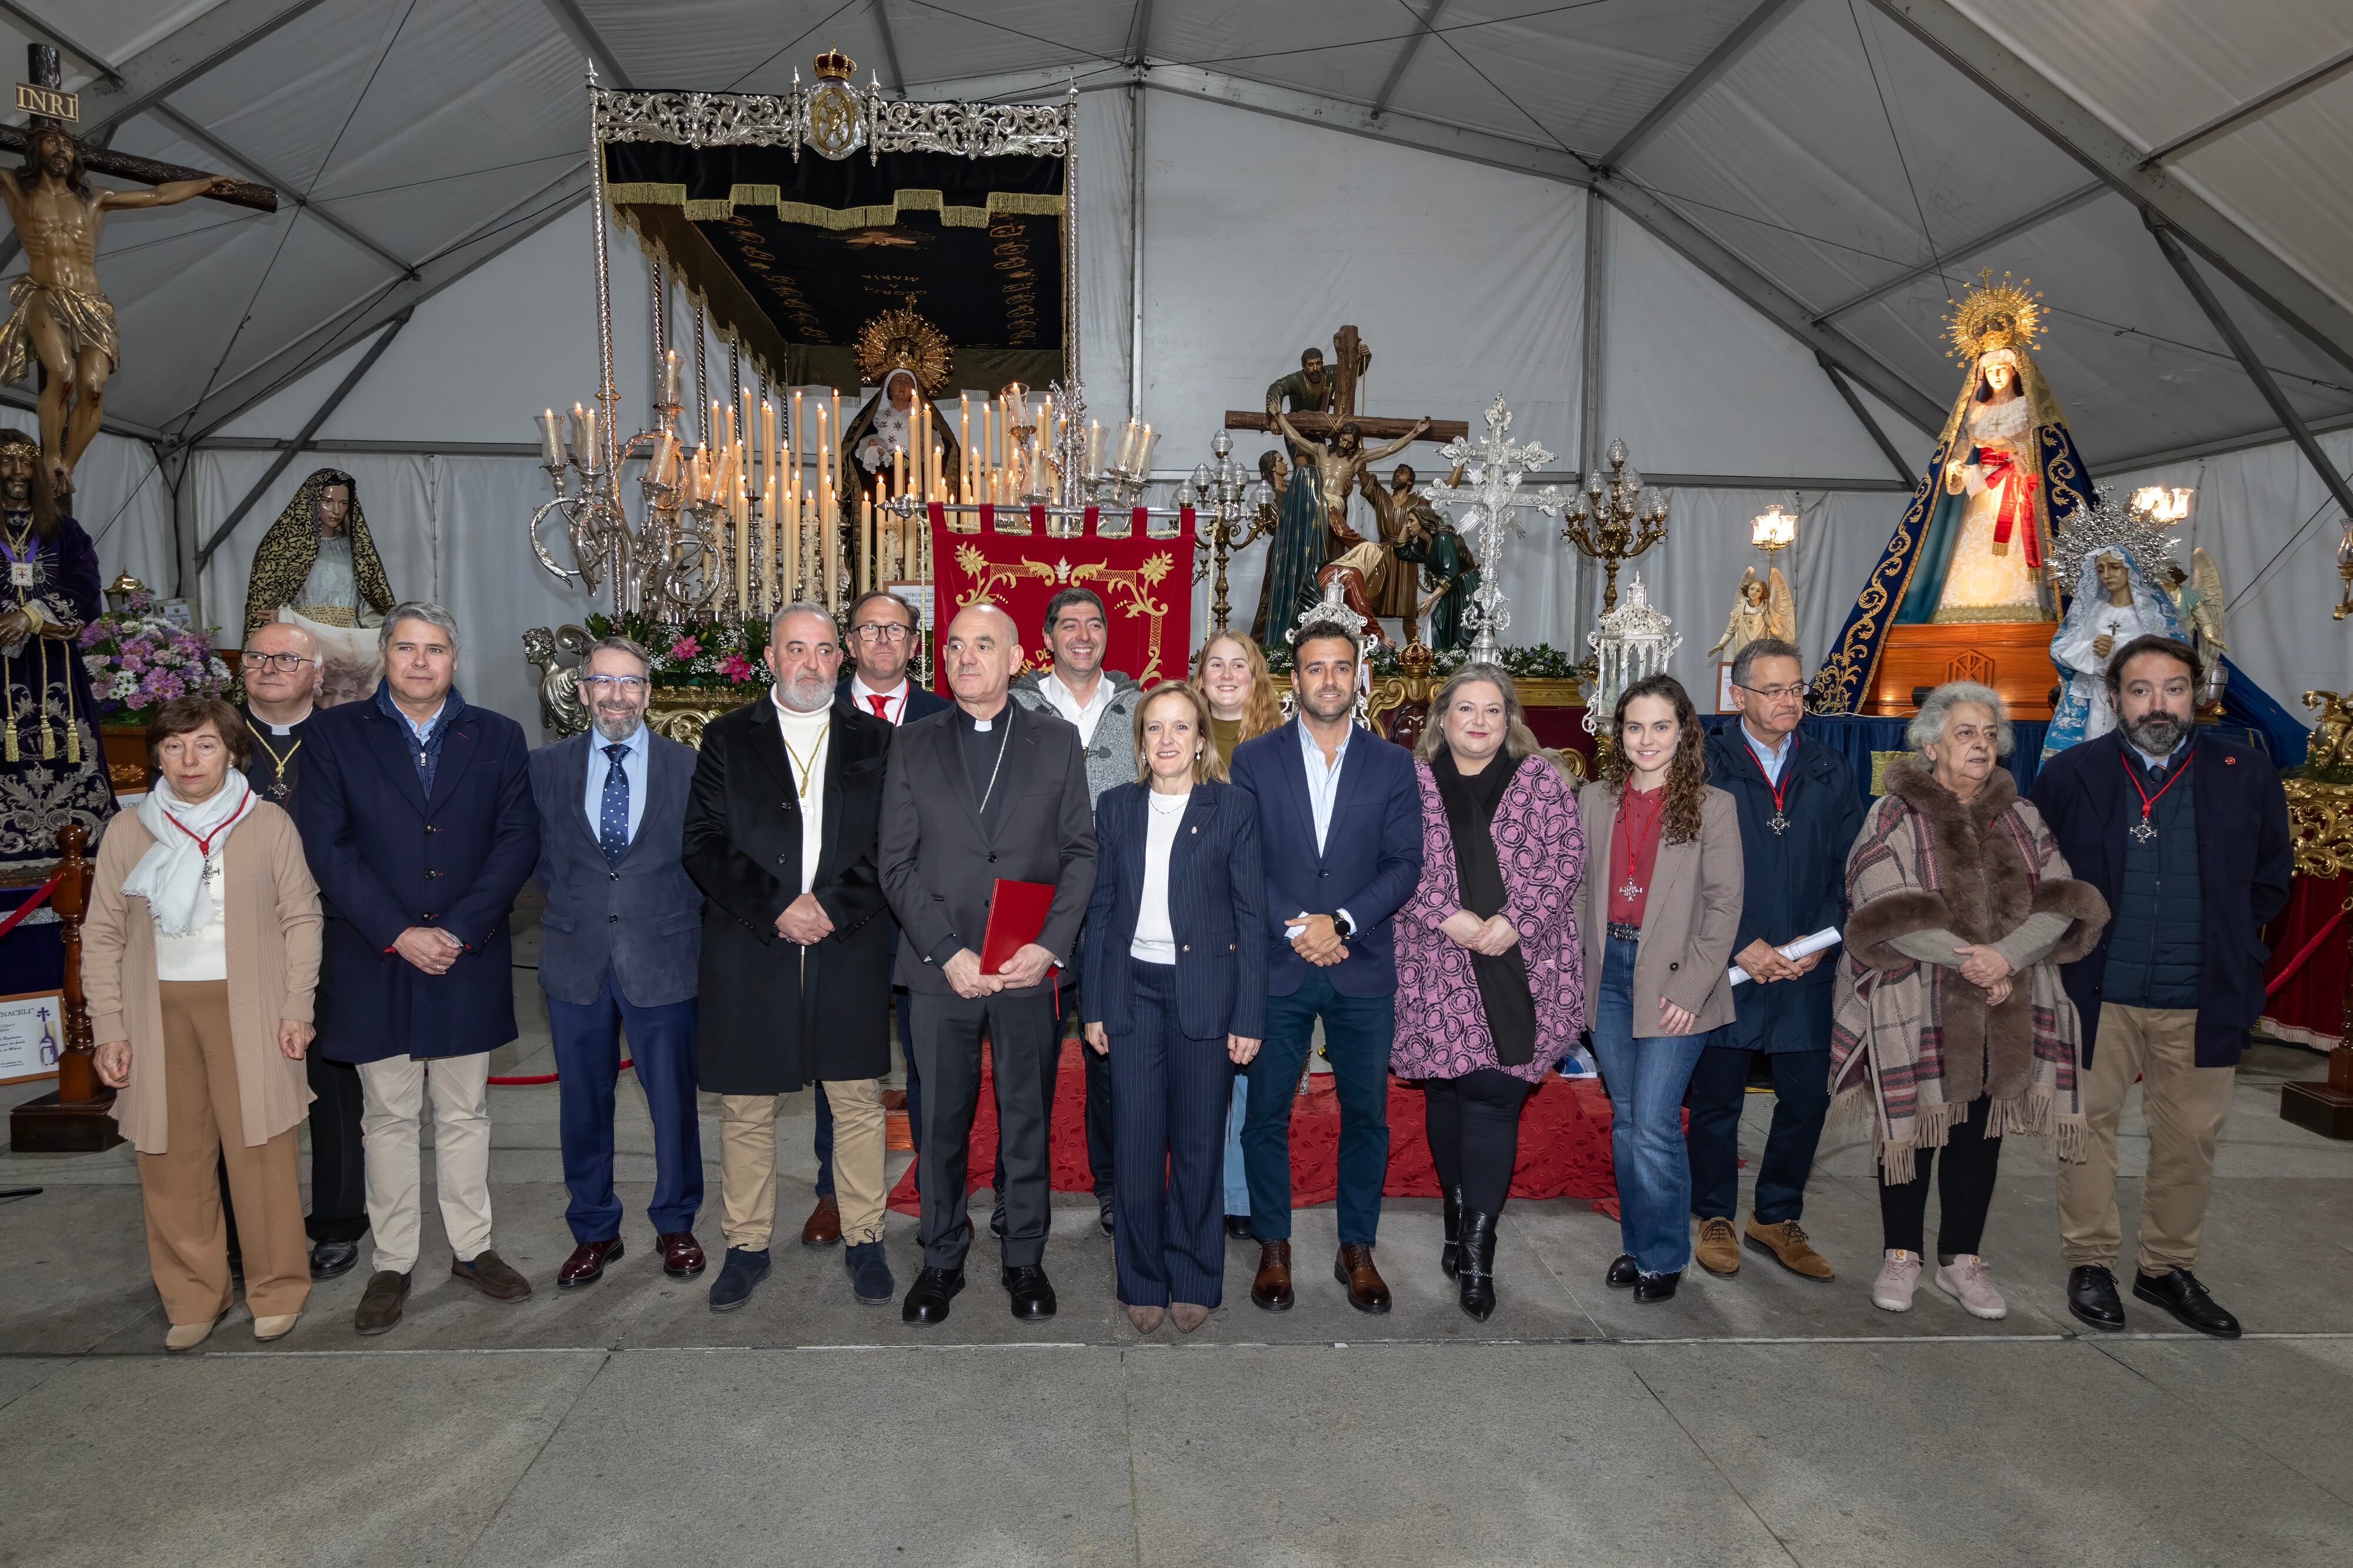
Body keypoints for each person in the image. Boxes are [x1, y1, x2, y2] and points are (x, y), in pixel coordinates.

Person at [2032, 634, 2291, 1337]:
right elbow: (2041, 884)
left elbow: (2270, 881)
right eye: (2140, 689)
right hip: (2096, 992)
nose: (2157, 704)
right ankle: (2089, 1261)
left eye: (2173, 688)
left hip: (2202, 995)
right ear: (2113, 697)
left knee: (2191, 1138)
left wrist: (2230, 943)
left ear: (2196, 695)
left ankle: (2164, 1268)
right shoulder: (2069, 776)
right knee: (2083, 1130)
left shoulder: (2245, 772)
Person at [298, 603, 539, 1336]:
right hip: (378, 954)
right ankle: (394, 1261)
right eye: (406, 647)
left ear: (454, 660)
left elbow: (517, 839)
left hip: (466, 955)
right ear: (384, 655)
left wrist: (458, 930)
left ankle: (473, 1248)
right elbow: (325, 844)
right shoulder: (336, 734)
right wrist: (398, 931)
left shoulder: (497, 735)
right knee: (389, 1115)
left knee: (465, 1112)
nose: (421, 661)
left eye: (435, 649)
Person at [1835, 682, 2107, 1320]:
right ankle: (1901, 1255)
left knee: (1980, 1136)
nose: (1981, 745)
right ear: (1930, 744)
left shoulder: (2022, 816)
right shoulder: (1891, 815)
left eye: (1989, 734)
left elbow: (2061, 896)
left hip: (2006, 1001)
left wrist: (2006, 957)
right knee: (1912, 1129)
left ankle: (1962, 1259)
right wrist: (1976, 959)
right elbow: (1882, 907)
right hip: (1919, 998)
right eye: (1965, 732)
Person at [879, 602, 1095, 1327]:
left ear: (1014, 659)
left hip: (1028, 968)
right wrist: (949, 951)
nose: (965, 656)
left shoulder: (1056, 740)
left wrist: (1048, 945)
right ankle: (940, 1259)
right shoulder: (912, 744)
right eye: (953, 645)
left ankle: (1024, 1255)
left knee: (1025, 1117)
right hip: (939, 971)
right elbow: (896, 862)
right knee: (940, 1122)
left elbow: (1080, 852)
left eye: (983, 644)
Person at [86, 697, 321, 1349]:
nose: (189, 760)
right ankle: (193, 1293)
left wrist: (297, 1005)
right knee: (170, 1157)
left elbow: (302, 917)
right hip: (154, 1013)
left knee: (262, 1152)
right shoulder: (130, 829)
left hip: (248, 1007)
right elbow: (102, 933)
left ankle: (277, 1287)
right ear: (156, 755)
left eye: (206, 745)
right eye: (174, 747)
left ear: (232, 752)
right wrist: (110, 1023)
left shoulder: (267, 823)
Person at [686, 605, 898, 1312]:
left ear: (842, 660)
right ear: (770, 658)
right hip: (754, 942)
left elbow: (893, 847)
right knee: (747, 1106)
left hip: (847, 941)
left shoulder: (877, 739)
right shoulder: (725, 737)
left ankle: (865, 1234)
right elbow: (704, 842)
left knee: (856, 1099)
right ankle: (746, 1243)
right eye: (795, 649)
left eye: (824, 651)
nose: (810, 663)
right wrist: (780, 903)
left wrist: (831, 905)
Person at [1229, 618, 1422, 1315]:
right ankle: (1274, 1245)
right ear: (1295, 679)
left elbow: (1406, 865)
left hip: (1360, 960)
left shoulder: (1393, 764)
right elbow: (1242, 858)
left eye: (1342, 667)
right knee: (1265, 1114)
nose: (1330, 680)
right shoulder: (1254, 759)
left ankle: (1356, 1249)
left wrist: (1338, 922)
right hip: (1278, 965)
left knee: (1366, 1113)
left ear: (1358, 675)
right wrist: (1300, 926)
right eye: (1316, 668)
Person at [1394, 665, 1585, 1320]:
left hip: (1520, 965)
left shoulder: (1541, 781)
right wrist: (1441, 912)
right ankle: (1455, 1215)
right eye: (1465, 709)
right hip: (1438, 963)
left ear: (1511, 720)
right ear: (1441, 718)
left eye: (1493, 710)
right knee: (1447, 1093)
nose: (1479, 721)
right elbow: (1390, 856)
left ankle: (1477, 1251)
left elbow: (1565, 858)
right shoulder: (1411, 783)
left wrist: (1515, 920)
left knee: (1494, 1099)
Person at [1082, 682, 1265, 1335]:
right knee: (1134, 1146)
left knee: (1195, 1147)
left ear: (1199, 741)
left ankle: (1192, 1274)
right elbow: (1100, 912)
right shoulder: (1115, 807)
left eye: (1179, 727)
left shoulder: (1232, 809)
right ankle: (1140, 1278)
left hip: (1205, 996)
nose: (1166, 739)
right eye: (1154, 727)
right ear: (1140, 741)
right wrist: (1095, 1003)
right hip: (1131, 993)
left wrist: (1249, 1015)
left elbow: (1251, 914)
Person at [528, 636, 706, 1291]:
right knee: (582, 1103)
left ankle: (677, 1219)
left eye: (631, 683)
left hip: (663, 957)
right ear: (583, 691)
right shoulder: (544, 766)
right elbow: (540, 860)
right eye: (603, 681)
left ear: (649, 694)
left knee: (672, 1102)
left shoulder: (688, 765)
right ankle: (594, 1227)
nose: (617, 695)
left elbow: (703, 860)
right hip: (576, 957)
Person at [1687, 637, 1861, 1283]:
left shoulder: (1828, 765)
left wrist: (1820, 941)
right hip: (1729, 959)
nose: (1790, 701)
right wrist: (1739, 941)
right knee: (1716, 1100)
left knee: (1805, 1100)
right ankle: (1712, 1214)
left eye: (1796, 689)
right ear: (1737, 697)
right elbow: (1686, 868)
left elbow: (1852, 864)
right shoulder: (1704, 763)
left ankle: (1775, 1213)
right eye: (1774, 690)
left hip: (1805, 963)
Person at [1575, 674, 1743, 1304]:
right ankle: (1640, 1242)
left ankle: (1666, 1255)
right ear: (1618, 733)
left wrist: (1695, 986)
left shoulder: (1713, 805)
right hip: (1608, 972)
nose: (1646, 739)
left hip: (1677, 978)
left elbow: (1725, 905)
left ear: (1683, 732)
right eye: (1634, 726)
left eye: (1661, 726)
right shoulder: (1594, 799)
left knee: (1652, 1122)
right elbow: (1576, 892)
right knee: (1626, 1120)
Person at [799, 589, 949, 1247]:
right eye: (869, 629)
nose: (883, 640)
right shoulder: (810, 712)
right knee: (841, 1059)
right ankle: (834, 1190)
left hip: (923, 913)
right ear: (850, 643)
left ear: (915, 644)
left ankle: (931, 1186)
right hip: (842, 916)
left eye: (897, 630)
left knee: (929, 1061)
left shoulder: (945, 714)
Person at [1011, 586, 1141, 1236]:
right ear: (1048, 636)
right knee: (1025, 1063)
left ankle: (1115, 1187)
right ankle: (1019, 1193)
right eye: (1069, 624)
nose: (1082, 634)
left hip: (1121, 915)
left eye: (1094, 623)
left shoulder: (1143, 707)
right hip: (1037, 915)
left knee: (1112, 1062)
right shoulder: (1014, 706)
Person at [238, 618, 366, 1279]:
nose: (270, 666)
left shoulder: (348, 737)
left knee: (334, 1079)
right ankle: (245, 1228)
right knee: (240, 1083)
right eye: (257, 656)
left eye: (288, 659)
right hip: (239, 933)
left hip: (334, 923)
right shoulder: (218, 737)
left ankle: (339, 1220)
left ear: (318, 676)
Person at [1193, 630, 1282, 1237]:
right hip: (1195, 921)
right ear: (1199, 675)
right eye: (1215, 664)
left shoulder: (1279, 743)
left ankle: (1238, 1194)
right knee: (1203, 1066)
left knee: (1249, 1061)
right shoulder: (1177, 733)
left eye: (1239, 665)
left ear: (1257, 676)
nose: (1227, 675)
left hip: (1261, 919)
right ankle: (1203, 1188)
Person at [0, 428, 113, 878]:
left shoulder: (65, 531)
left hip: (58, 674)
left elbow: (87, 589)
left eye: (28, 462)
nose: (19, 472)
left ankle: (76, 845)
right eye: (8, 461)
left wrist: (31, 616)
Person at [2044, 546, 2184, 758]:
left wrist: (2118, 652)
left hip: (2139, 699)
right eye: (2100, 570)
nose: (2107, 575)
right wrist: (2093, 651)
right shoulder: (2090, 611)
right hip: (2093, 698)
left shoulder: (2151, 613)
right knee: (2089, 757)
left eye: (2115, 567)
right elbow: (2060, 649)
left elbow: (2174, 658)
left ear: (2131, 568)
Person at [239, 468, 395, 642]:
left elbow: (374, 600)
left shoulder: (358, 550)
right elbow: (262, 607)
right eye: (328, 501)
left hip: (345, 643)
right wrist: (285, 618)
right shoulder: (281, 548)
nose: (336, 510)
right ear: (312, 501)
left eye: (344, 503)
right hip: (298, 641)